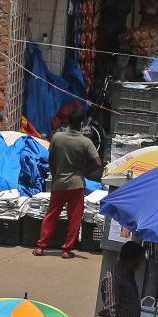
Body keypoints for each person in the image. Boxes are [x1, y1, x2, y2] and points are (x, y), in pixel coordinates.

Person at [36, 109, 100, 257]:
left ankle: (41, 247)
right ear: (82, 123)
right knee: (74, 217)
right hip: (77, 184)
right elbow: (97, 162)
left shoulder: (57, 137)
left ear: (68, 121)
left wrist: (54, 174)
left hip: (59, 183)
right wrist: (86, 172)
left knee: (51, 215)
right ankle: (66, 250)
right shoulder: (86, 141)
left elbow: (51, 158)